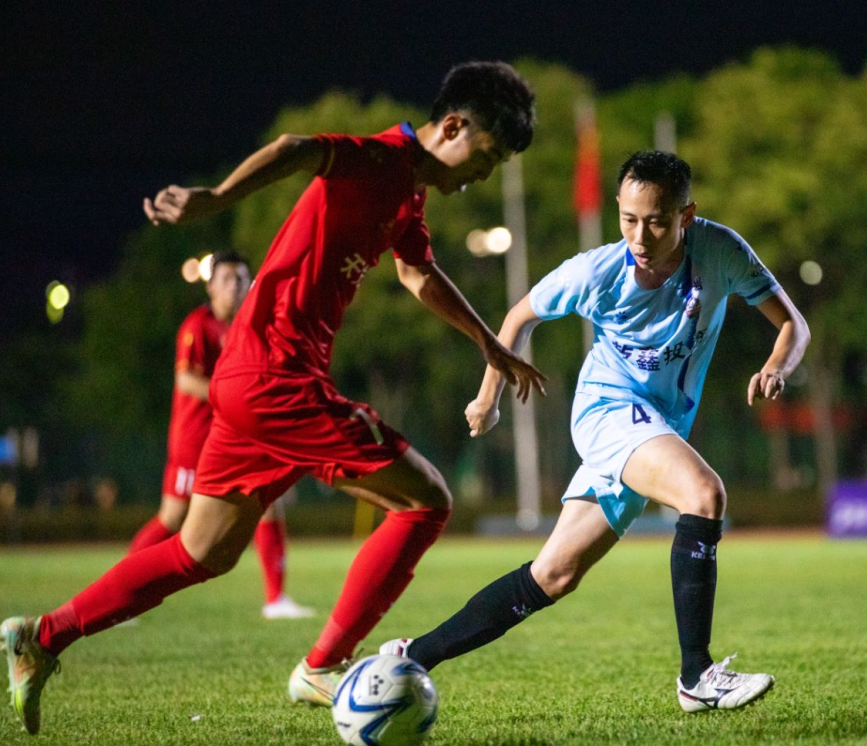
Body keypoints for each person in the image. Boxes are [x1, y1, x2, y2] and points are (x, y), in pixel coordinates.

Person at [1, 60, 546, 735]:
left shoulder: (408, 193)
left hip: (250, 381)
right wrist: (213, 199)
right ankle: (324, 664)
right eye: (485, 157)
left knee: (202, 553)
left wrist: (488, 343)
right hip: (277, 380)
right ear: (454, 126)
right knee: (426, 500)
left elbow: (417, 272)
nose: (482, 176)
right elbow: (297, 151)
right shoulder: (379, 158)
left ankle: (43, 636)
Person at [380, 151, 810, 712]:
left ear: (686, 215)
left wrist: (777, 366)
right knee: (704, 495)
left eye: (656, 220)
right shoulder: (595, 272)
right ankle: (696, 677)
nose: (640, 234)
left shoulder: (720, 250)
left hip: (658, 426)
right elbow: (518, 317)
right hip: (608, 411)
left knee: (553, 575)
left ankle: (413, 654)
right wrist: (488, 397)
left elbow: (792, 324)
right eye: (629, 219)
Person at [127, 250, 313, 620]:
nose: (235, 286)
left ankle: (276, 599)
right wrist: (235, 393)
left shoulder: (252, 326)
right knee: (173, 519)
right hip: (195, 440)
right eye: (226, 278)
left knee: (269, 505)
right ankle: (127, 596)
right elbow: (186, 379)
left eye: (241, 278)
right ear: (210, 286)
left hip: (236, 437)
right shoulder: (198, 326)